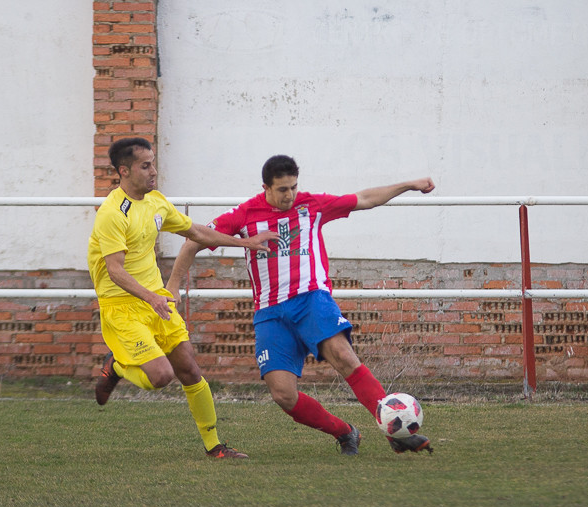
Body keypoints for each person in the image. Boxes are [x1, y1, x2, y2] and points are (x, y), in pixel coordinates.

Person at [167, 154, 436, 456]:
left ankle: (393, 431)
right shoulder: (245, 214)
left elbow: (364, 199)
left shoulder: (312, 205)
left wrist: (408, 184)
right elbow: (193, 240)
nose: (289, 195)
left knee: (344, 357)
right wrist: (173, 285)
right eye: (282, 189)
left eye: (293, 187)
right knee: (283, 394)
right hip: (270, 313)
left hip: (311, 299)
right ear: (266, 187)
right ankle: (345, 432)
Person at [88, 137, 277, 459]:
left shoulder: (156, 202)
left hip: (153, 300)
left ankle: (215, 446)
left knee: (189, 369)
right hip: (123, 305)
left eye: (153, 163)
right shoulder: (112, 213)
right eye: (145, 166)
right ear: (124, 171)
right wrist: (152, 297)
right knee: (161, 377)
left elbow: (198, 233)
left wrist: (246, 243)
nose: (154, 171)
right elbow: (115, 271)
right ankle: (118, 367)